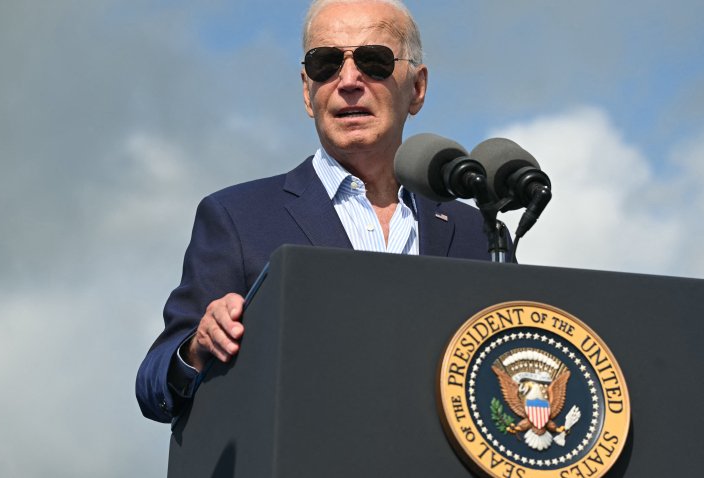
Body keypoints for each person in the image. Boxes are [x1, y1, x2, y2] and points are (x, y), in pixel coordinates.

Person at [136, 0, 492, 423]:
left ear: (416, 88)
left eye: (373, 61)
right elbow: (154, 383)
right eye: (325, 63)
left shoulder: (475, 233)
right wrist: (196, 348)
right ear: (308, 91)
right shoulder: (236, 218)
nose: (348, 80)